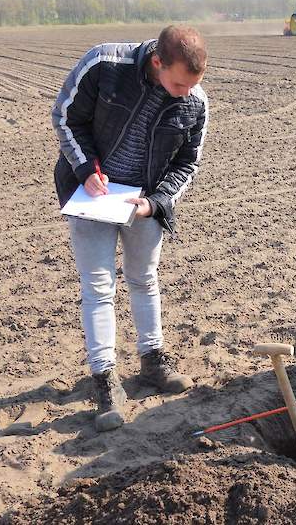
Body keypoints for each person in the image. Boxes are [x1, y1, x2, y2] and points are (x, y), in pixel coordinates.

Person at [51, 26, 210, 432]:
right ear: (157, 61)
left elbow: (187, 164)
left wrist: (156, 202)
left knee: (144, 279)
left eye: (193, 85)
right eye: (178, 83)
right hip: (92, 194)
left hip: (144, 202)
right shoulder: (105, 63)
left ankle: (152, 359)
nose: (185, 93)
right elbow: (66, 117)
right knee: (99, 286)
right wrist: (86, 169)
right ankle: (105, 379)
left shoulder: (195, 102)